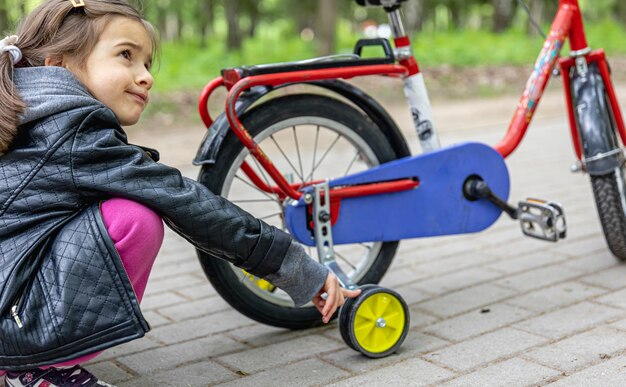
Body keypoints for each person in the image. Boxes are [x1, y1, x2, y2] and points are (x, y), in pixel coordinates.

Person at [0, 1, 360, 386]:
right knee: (134, 219)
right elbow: (182, 200)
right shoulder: (72, 129)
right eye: (126, 55)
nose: (145, 77)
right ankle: (36, 367)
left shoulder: (28, 108)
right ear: (59, 64)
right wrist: (293, 265)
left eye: (148, 64)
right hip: (10, 315)